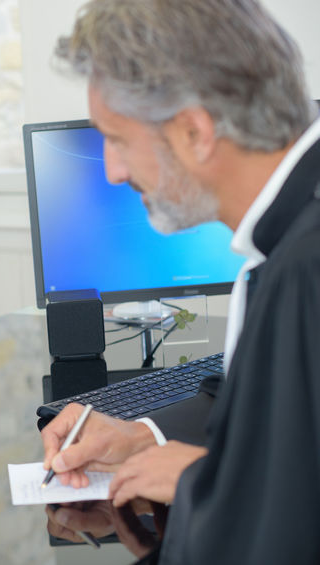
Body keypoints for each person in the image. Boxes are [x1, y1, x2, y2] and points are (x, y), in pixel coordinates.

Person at [39, 0, 320, 562]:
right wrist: (144, 435)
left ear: (194, 131)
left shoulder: (306, 266)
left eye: (116, 139)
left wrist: (202, 482)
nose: (113, 172)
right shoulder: (289, 237)